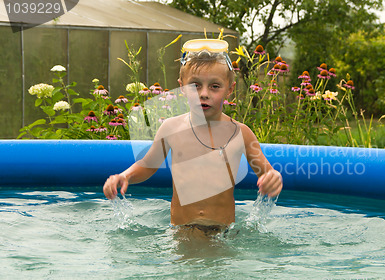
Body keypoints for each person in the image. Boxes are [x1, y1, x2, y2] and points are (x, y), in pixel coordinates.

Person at [103, 39, 283, 237]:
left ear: (230, 90)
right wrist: (125, 176)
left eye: (215, 86)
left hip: (223, 234)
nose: (204, 94)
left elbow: (267, 173)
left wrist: (273, 178)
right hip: (181, 232)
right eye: (195, 85)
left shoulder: (241, 133)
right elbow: (148, 165)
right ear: (182, 87)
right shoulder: (171, 128)